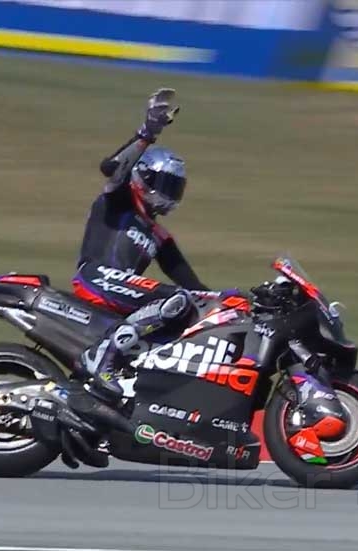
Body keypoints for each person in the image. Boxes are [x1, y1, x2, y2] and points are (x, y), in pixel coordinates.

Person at [69, 88, 238, 406]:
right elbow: (110, 167)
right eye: (165, 185)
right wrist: (147, 133)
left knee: (187, 304)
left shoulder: (158, 234)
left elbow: (194, 285)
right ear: (143, 178)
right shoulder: (117, 201)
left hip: (120, 291)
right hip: (96, 277)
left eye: (176, 187)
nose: (170, 194)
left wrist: (229, 302)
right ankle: (104, 360)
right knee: (175, 299)